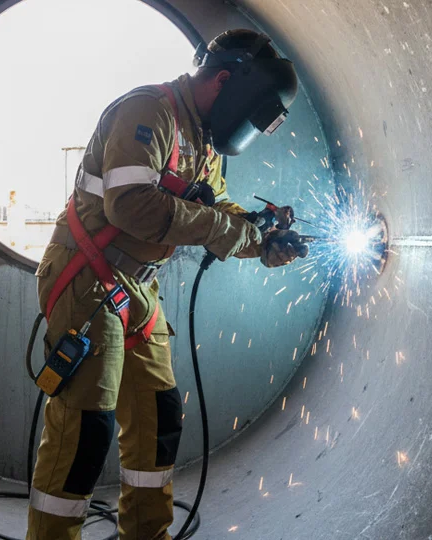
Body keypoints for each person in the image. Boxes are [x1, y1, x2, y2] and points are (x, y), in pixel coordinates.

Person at [28, 29, 305, 539]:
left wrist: (262, 242)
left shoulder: (204, 143)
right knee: (86, 434)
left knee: (159, 419)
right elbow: (129, 203)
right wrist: (230, 230)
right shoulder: (148, 111)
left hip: (138, 290)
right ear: (223, 81)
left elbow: (218, 210)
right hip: (87, 279)